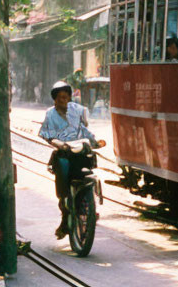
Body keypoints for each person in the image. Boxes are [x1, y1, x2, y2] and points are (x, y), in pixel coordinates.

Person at [39, 81, 105, 238]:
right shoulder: (50, 114)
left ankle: (89, 205)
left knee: (89, 160)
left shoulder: (76, 112)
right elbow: (47, 135)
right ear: (55, 99)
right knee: (63, 178)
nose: (63, 100)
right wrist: (59, 144)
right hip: (64, 154)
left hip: (79, 151)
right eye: (60, 97)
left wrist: (95, 142)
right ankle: (65, 206)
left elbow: (84, 130)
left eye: (66, 97)